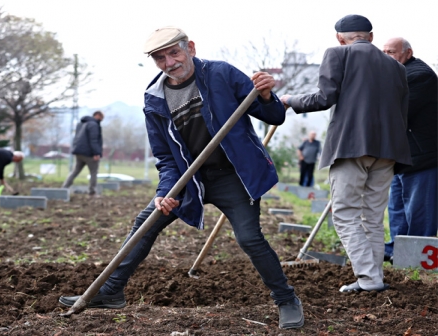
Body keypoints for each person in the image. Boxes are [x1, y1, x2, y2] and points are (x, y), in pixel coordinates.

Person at [60, 27, 304, 330]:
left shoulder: (221, 74)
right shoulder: (154, 98)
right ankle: (110, 291)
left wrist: (267, 95)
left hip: (233, 176)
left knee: (249, 238)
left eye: (174, 52)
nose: (169, 62)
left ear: (190, 47)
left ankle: (286, 299)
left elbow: (274, 116)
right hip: (189, 180)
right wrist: (165, 192)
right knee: (145, 224)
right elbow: (164, 156)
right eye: (160, 58)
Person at [280, 15, 411, 293]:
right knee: (373, 217)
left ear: (340, 37)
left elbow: (324, 97)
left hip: (351, 146)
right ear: (371, 37)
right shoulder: (396, 66)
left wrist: (290, 100)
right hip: (388, 150)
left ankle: (368, 277)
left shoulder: (338, 54)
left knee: (345, 213)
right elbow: (402, 112)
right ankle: (373, 277)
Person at [381, 37, 438, 262]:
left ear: (407, 53)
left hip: (423, 157)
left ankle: (416, 257)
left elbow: (396, 112)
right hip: (402, 156)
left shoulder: (419, 76)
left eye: (391, 52)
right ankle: (397, 249)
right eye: (383, 52)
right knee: (397, 209)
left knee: (419, 212)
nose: (386, 57)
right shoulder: (395, 75)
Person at [61, 111, 104, 195]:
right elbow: (93, 140)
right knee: (93, 172)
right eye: (102, 118)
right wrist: (96, 153)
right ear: (98, 115)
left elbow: (77, 138)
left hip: (79, 152)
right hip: (89, 154)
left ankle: (64, 188)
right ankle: (92, 191)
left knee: (75, 171)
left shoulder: (81, 124)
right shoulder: (93, 125)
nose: (101, 120)